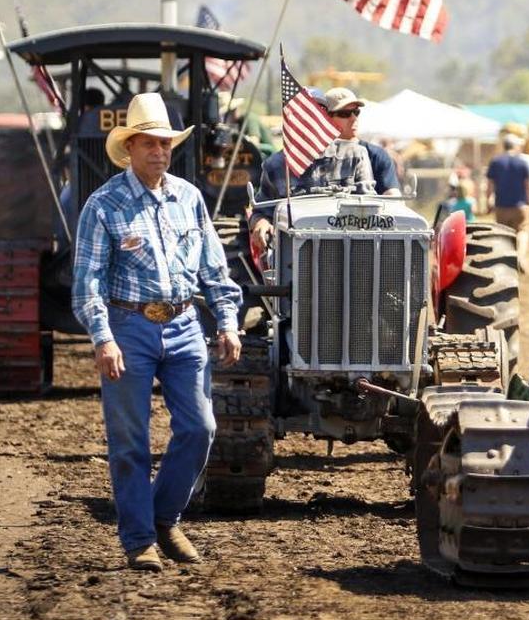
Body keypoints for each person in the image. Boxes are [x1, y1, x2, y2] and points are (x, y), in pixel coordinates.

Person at [71, 93, 243, 572]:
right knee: (130, 442)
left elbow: (214, 267)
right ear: (129, 149)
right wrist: (103, 337)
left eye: (165, 144)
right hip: (128, 327)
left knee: (200, 428)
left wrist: (227, 321)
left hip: (186, 325)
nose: (159, 152)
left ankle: (165, 517)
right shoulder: (103, 204)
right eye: (149, 144)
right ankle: (139, 539)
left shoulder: (188, 198)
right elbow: (87, 281)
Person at [250, 87, 376, 254]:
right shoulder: (275, 165)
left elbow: (372, 208)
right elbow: (261, 210)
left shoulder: (355, 156)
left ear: (326, 118)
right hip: (293, 258)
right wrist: (261, 224)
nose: (311, 120)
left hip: (351, 254)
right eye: (303, 114)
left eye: (318, 112)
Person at [486, 133, 529, 272]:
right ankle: (520, 256)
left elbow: (490, 185)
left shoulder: (495, 162)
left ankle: (505, 264)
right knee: (523, 231)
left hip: (501, 205)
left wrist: (488, 203)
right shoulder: (523, 162)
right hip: (520, 205)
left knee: (503, 234)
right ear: (515, 146)